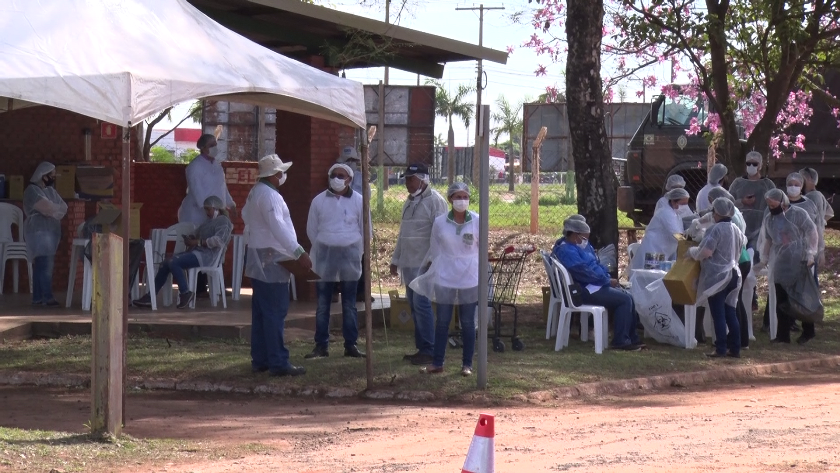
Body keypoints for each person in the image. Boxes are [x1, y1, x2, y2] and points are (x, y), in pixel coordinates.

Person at [241, 154, 312, 376]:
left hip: (258, 254)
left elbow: (245, 216)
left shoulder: (255, 192)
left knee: (262, 311)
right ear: (274, 175)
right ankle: (278, 361)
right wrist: (298, 251)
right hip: (272, 257)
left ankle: (260, 359)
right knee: (274, 311)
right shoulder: (270, 196)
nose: (283, 176)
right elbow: (278, 227)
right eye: (280, 172)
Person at [409, 182, 479, 376]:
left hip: (469, 277)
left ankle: (467, 364)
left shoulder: (476, 220)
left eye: (465, 197)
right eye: (457, 197)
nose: (461, 201)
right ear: (450, 199)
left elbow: (482, 248)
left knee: (467, 322)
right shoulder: (440, 222)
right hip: (445, 276)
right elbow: (435, 248)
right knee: (442, 321)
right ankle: (437, 362)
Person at [304, 162, 366, 359]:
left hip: (350, 256)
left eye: (342, 175)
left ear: (349, 179)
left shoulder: (359, 201)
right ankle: (321, 346)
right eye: (334, 175)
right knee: (323, 304)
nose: (337, 178)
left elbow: (366, 230)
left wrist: (359, 252)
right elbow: (311, 229)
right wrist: (325, 246)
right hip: (325, 257)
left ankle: (351, 345)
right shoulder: (319, 201)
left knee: (349, 304)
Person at [553, 217, 643, 351]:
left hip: (593, 284)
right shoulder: (568, 251)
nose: (586, 241)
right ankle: (620, 340)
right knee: (624, 300)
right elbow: (583, 273)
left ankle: (631, 337)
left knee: (628, 296)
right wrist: (606, 281)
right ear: (575, 234)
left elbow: (593, 264)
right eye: (584, 237)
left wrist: (605, 276)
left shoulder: (575, 246)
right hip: (585, 289)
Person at [390, 163, 448, 366]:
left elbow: (441, 234)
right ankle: (422, 347)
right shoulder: (408, 202)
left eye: (410, 179)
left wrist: (432, 260)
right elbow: (403, 234)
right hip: (408, 262)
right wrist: (395, 260)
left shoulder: (436, 202)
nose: (407, 183)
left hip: (424, 264)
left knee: (422, 305)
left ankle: (429, 349)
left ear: (422, 180)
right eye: (406, 179)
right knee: (414, 305)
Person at [133, 196, 233, 309]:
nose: (206, 212)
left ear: (216, 209)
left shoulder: (224, 222)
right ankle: (150, 297)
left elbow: (219, 241)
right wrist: (191, 238)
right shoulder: (209, 222)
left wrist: (198, 242)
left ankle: (185, 292)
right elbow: (197, 232)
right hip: (197, 252)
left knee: (173, 262)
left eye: (208, 209)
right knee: (166, 262)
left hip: (208, 256)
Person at [754, 189, 819, 344]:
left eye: (774, 205)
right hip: (781, 262)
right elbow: (768, 240)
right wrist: (763, 259)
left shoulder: (799, 214)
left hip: (800, 259)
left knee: (801, 298)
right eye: (769, 205)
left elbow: (812, 232)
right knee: (781, 299)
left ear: (783, 202)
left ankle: (809, 331)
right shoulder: (770, 219)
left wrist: (811, 253)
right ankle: (783, 335)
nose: (771, 208)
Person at [178, 133, 236, 298]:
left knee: (217, 247)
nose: (214, 147)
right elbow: (197, 192)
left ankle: (216, 286)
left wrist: (231, 204)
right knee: (198, 246)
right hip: (198, 213)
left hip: (215, 212)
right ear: (202, 147)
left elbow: (222, 187)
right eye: (211, 144)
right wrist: (209, 208)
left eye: (215, 143)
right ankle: (198, 287)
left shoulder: (217, 165)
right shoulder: (194, 167)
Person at [687, 198, 745, 358]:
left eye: (713, 211)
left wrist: (692, 252)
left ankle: (720, 348)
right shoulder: (735, 228)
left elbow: (706, 251)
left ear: (718, 213)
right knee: (730, 313)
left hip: (719, 276)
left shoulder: (716, 229)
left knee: (718, 313)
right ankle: (735, 348)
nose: (712, 214)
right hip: (734, 274)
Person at [23, 162, 67, 306]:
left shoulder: (49, 191)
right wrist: (52, 209)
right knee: (45, 265)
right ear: (43, 176)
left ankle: (38, 298)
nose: (53, 178)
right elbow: (47, 208)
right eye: (51, 175)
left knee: (42, 265)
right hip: (39, 232)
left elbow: (62, 207)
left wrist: (52, 209)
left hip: (49, 232)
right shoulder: (32, 191)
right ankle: (47, 297)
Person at [337, 145, 371, 303]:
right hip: (340, 228)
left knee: (361, 261)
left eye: (353, 160)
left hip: (358, 224)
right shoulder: (336, 176)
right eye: (348, 160)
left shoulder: (361, 177)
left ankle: (360, 292)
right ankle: (335, 292)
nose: (351, 163)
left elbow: (366, 198)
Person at [630, 188, 689, 271]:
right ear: (673, 201)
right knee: (652, 278)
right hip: (653, 252)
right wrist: (689, 246)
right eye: (682, 204)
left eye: (686, 204)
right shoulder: (666, 213)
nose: (685, 207)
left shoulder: (676, 215)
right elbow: (677, 235)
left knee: (657, 278)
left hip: (660, 252)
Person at [728, 151, 776, 247]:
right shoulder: (738, 183)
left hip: (761, 228)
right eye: (748, 163)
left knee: (755, 254)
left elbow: (776, 204)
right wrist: (742, 201)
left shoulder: (768, 184)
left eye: (754, 164)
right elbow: (728, 204)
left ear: (760, 165)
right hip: (739, 227)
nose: (751, 166)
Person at [799, 167, 833, 272]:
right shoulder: (819, 195)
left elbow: (813, 223)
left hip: (809, 243)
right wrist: (821, 221)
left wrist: (819, 223)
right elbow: (829, 213)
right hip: (812, 242)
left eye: (801, 177)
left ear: (808, 178)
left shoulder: (811, 197)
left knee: (809, 278)